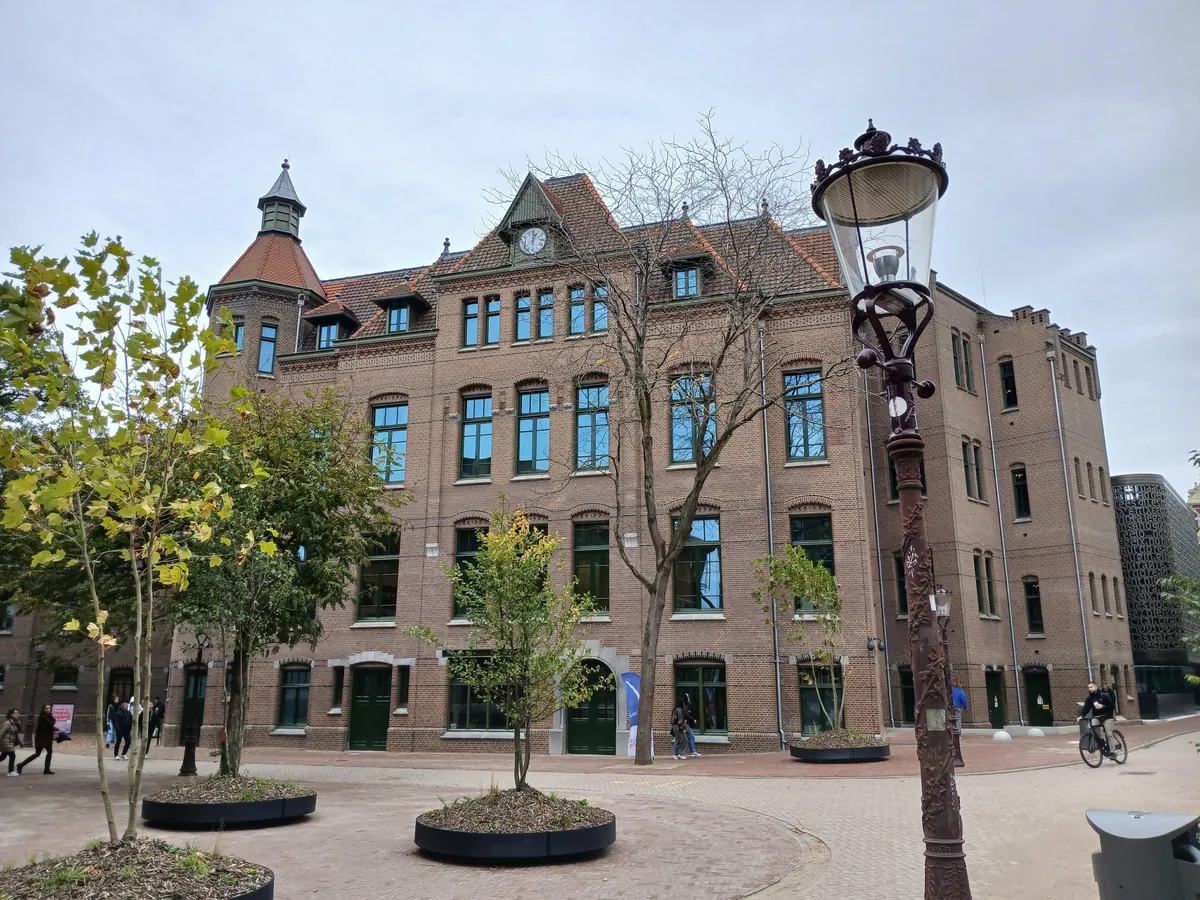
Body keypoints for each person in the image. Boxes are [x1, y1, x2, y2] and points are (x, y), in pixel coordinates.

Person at [17, 705, 58, 775]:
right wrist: (53, 719)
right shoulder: (43, 717)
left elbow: (48, 727)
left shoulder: (48, 717)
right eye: (46, 708)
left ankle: (46, 769)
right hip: (41, 739)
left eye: (49, 708)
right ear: (43, 709)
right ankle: (20, 765)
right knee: (37, 754)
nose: (48, 709)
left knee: (49, 753)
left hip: (47, 738)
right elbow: (50, 724)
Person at [1077, 681, 1115, 754]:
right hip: (1097, 717)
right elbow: (1086, 707)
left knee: (1108, 734)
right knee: (1090, 726)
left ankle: (1112, 752)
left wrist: (1103, 706)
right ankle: (1100, 742)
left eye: (1091, 687)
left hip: (1107, 717)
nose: (1090, 689)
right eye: (1088, 688)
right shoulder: (1090, 698)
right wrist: (1081, 716)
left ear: (1095, 687)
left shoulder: (1103, 695)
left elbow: (1112, 706)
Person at [1, 708, 23, 776]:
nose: (17, 714)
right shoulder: (7, 723)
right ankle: (11, 771)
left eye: (17, 713)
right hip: (6, 742)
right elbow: (1, 733)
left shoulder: (15, 722)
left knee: (3, 756)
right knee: (12, 755)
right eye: (15, 713)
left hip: (10, 742)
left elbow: (17, 732)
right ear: (11, 714)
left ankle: (11, 771)